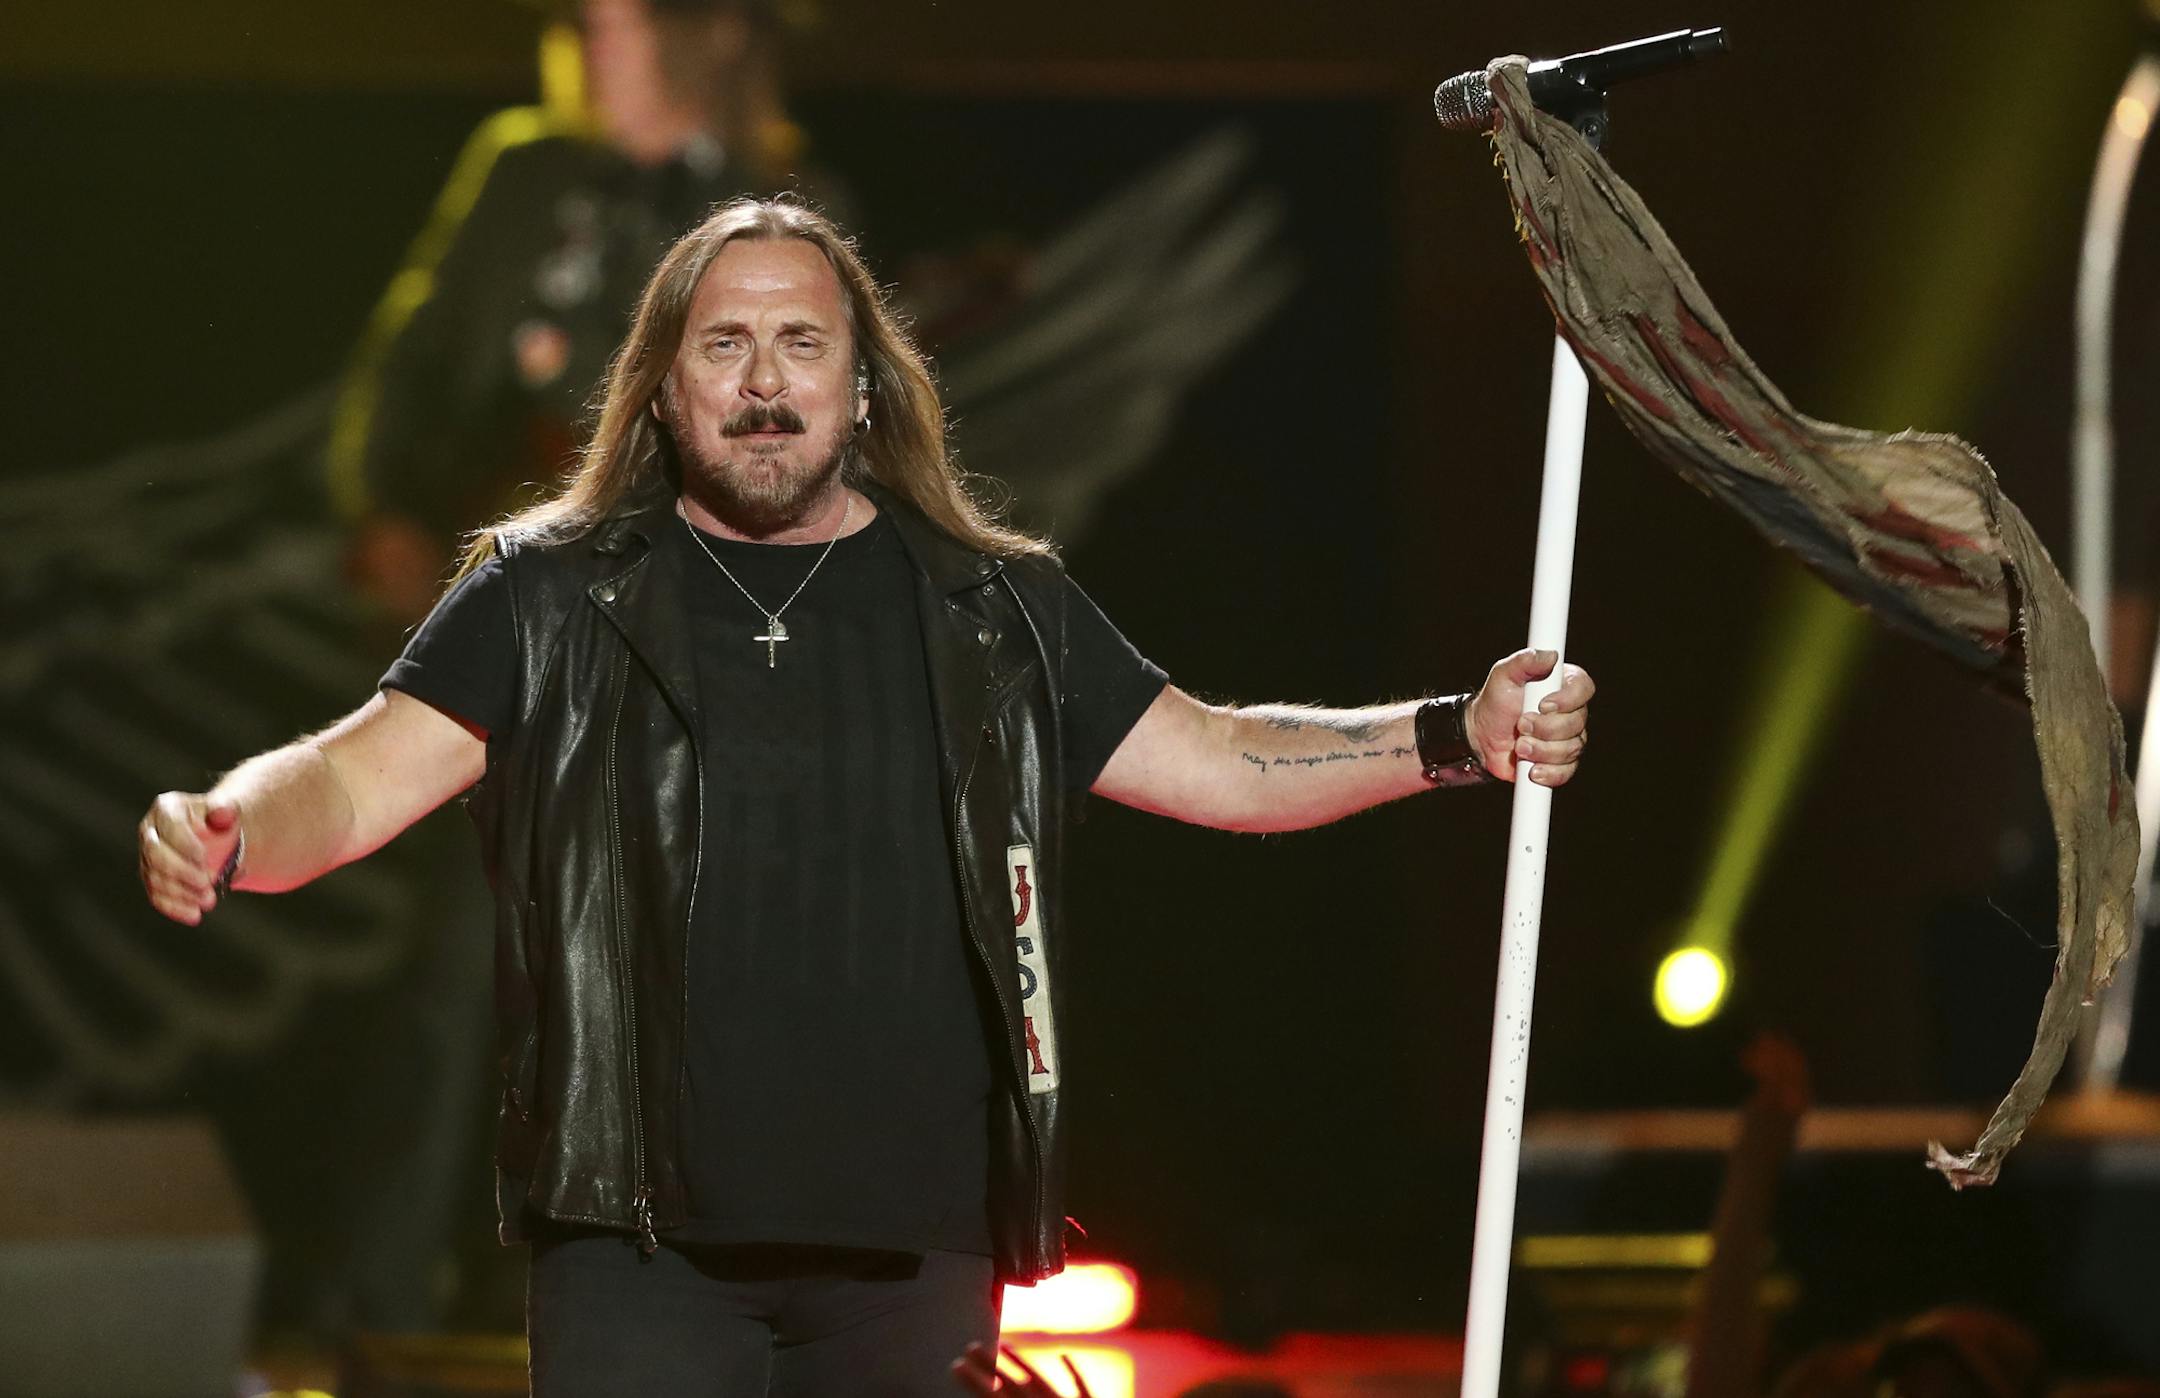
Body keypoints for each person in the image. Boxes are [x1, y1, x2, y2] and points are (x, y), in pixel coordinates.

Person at [139, 197, 1595, 1395]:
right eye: (726, 344)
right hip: (634, 1252)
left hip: (913, 1260)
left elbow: (1213, 756)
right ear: (663, 381)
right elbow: (350, 773)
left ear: (862, 381)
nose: (765, 382)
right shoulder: (549, 596)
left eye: (799, 343)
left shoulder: (990, 604)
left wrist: (1454, 732)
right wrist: (234, 824)